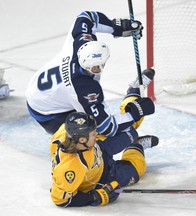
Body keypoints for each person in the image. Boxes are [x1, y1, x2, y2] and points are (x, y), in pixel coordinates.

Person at [26, 10, 155, 137]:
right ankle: (133, 144)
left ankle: (134, 92)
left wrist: (116, 26)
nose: (99, 69)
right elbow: (106, 127)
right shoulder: (85, 88)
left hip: (39, 91)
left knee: (115, 123)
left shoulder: (80, 43)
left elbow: (87, 17)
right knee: (92, 137)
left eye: (102, 64)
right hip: (47, 114)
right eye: (95, 68)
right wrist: (134, 113)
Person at [50, 111, 158, 207]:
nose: (96, 133)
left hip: (99, 148)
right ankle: (136, 145)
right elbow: (60, 200)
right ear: (82, 139)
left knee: (130, 132)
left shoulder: (68, 132)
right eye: (93, 133)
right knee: (138, 167)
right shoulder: (72, 167)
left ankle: (133, 94)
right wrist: (96, 196)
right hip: (105, 176)